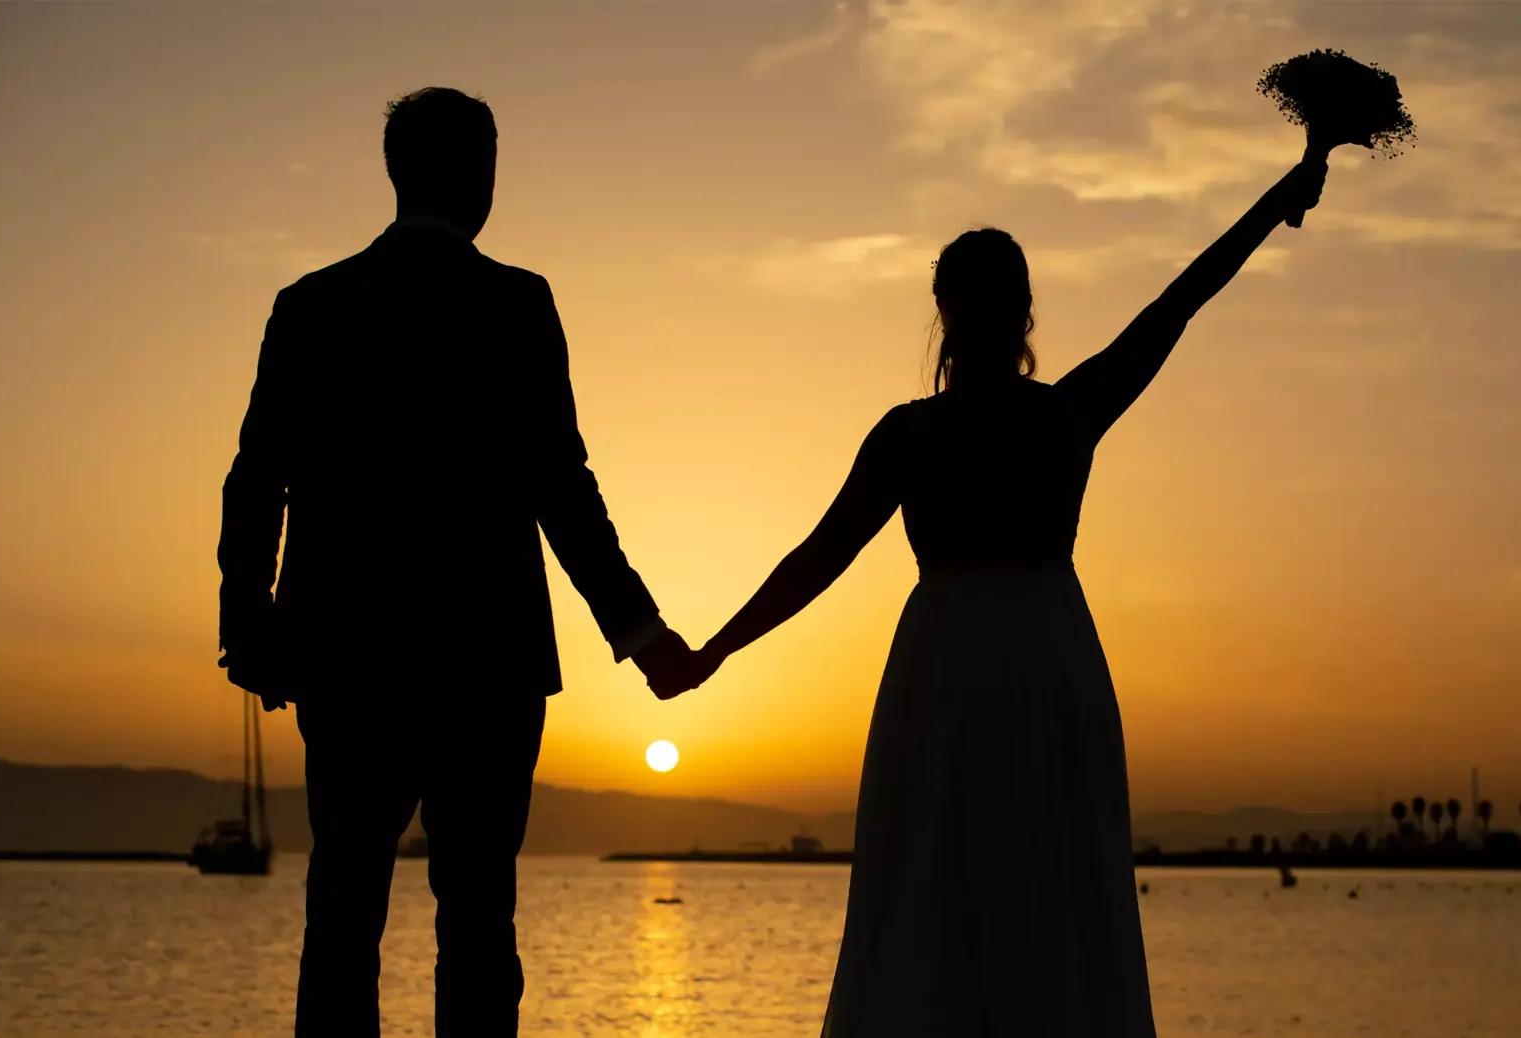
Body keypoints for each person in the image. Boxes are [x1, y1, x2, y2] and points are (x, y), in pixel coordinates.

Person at [652, 159, 1328, 1034]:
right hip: (1037, 660)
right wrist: (1277, 200)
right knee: (1036, 883)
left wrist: (714, 651)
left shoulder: (928, 431)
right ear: (1023, 313)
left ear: (945, 312)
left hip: (957, 669)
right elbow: (1180, 301)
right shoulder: (1053, 416)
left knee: (936, 887)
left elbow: (818, 558)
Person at [215, 87, 697, 1036]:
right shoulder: (516, 304)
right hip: (488, 664)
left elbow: (257, 479)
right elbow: (563, 488)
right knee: (477, 921)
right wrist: (642, 633)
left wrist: (251, 625)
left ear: (397, 174)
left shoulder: (312, 306)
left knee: (342, 911)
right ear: (481, 177)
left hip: (346, 656)